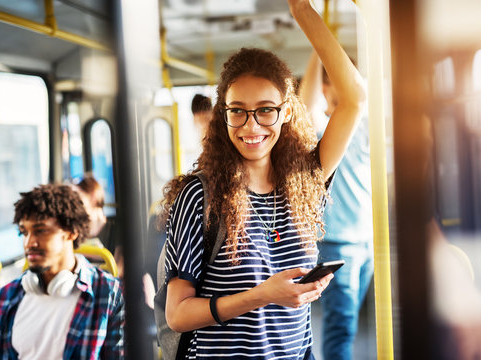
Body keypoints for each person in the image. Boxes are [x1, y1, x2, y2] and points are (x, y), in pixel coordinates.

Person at [157, 0, 366, 358]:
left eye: (266, 110)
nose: (251, 126)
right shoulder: (200, 196)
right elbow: (177, 315)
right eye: (237, 111)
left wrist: (302, 10)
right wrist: (263, 295)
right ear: (223, 114)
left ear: (286, 112)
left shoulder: (303, 181)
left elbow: (355, 98)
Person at [0, 184, 124, 359]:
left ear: (71, 232)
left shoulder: (109, 294)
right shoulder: (4, 298)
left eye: (41, 231)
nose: (29, 243)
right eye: (24, 233)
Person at [299, 50, 373, 360]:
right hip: (337, 243)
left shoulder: (367, 125)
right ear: (327, 88)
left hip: (367, 240)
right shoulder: (324, 131)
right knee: (340, 328)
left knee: (350, 324)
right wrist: (319, 51)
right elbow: (307, 106)